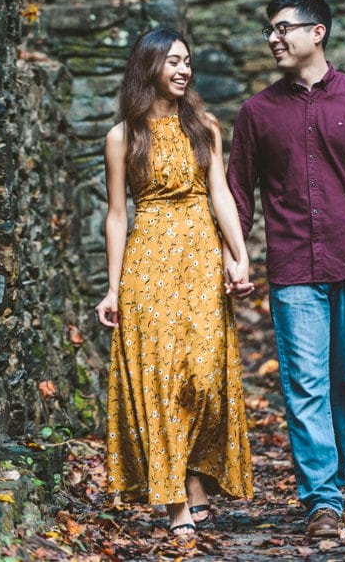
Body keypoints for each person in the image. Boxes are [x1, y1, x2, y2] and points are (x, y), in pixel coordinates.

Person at [227, 0, 345, 539]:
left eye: (283, 28)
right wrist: (235, 260)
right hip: (291, 269)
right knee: (306, 384)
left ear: (318, 32)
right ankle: (323, 501)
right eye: (269, 30)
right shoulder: (256, 114)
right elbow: (239, 197)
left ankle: (331, 476)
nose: (273, 38)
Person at [97, 29, 254, 538]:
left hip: (202, 259)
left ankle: (192, 477)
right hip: (148, 261)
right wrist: (113, 287)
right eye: (173, 62)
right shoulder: (123, 136)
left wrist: (239, 255)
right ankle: (175, 503)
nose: (184, 70)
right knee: (161, 379)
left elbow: (222, 196)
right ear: (150, 69)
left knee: (204, 376)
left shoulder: (205, 125)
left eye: (188, 62)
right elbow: (117, 215)